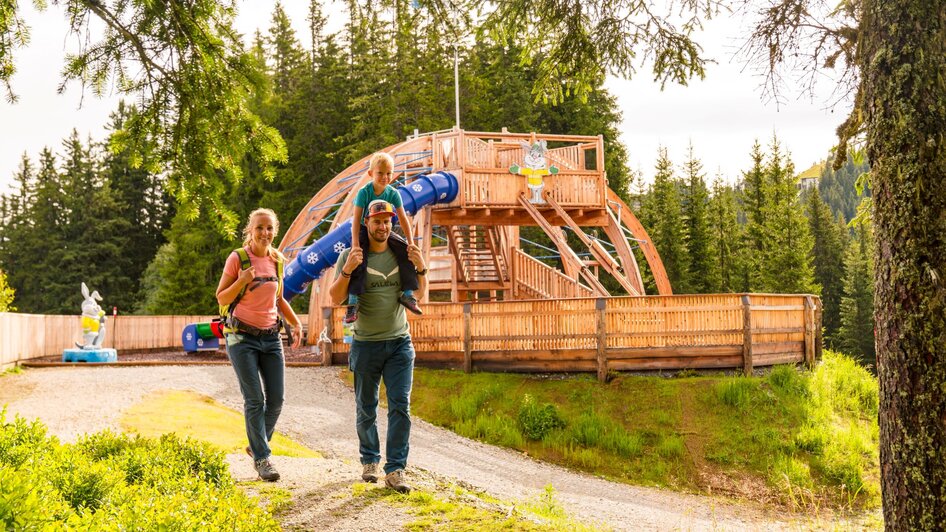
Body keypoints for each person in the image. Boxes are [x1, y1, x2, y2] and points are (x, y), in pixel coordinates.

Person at [330, 199, 428, 493]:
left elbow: (420, 293)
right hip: (365, 343)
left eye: (387, 221)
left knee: (401, 407)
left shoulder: (402, 253)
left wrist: (421, 267)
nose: (383, 226)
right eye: (377, 221)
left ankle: (396, 469)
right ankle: (370, 461)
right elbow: (336, 298)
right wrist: (347, 270)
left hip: (399, 342)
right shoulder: (352, 255)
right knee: (366, 408)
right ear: (367, 224)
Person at [216, 208, 303, 482]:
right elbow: (221, 298)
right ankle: (263, 458)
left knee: (276, 400)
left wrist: (297, 323)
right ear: (250, 231)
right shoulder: (237, 259)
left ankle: (256, 447)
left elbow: (279, 299)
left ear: (274, 231)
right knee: (255, 400)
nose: (264, 233)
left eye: (269, 228)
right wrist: (242, 280)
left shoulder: (278, 260)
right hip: (241, 339)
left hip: (271, 338)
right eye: (259, 228)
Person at [347, 152, 422, 324]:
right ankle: (352, 302)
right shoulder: (364, 193)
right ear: (371, 174)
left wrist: (411, 242)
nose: (385, 177)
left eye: (389, 173)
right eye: (380, 173)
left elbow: (403, 218)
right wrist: (356, 244)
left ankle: (408, 295)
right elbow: (356, 220)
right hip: (365, 229)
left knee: (405, 250)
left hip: (384, 230)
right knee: (359, 259)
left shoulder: (393, 193)